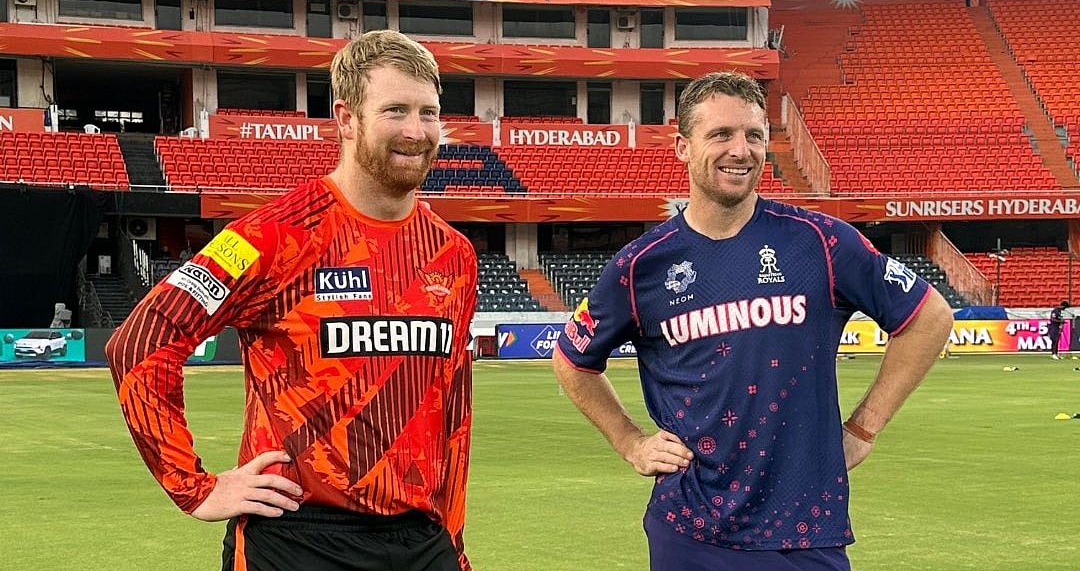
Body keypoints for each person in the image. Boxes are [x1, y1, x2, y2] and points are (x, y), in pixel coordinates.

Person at [552, 71, 954, 571]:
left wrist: (864, 427)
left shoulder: (821, 242)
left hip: (804, 529)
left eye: (754, 135)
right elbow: (572, 359)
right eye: (721, 134)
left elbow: (929, 316)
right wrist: (630, 442)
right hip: (690, 530)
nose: (740, 150)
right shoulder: (640, 266)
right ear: (682, 147)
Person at [106, 30, 478, 571]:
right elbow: (141, 342)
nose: (416, 131)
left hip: (421, 539)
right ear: (346, 119)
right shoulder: (270, 236)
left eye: (429, 113)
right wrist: (193, 486)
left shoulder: (453, 254)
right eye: (395, 110)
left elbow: (454, 411)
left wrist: (453, 541)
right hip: (297, 537)